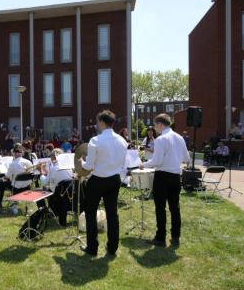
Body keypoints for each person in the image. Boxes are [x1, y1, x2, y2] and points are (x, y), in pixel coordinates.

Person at [78, 110, 128, 257]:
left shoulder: (96, 140)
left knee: (90, 212)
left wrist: (82, 162)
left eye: (98, 122)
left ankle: (92, 248)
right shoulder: (122, 141)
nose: (97, 124)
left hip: (98, 180)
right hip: (114, 179)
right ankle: (112, 248)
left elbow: (89, 166)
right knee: (112, 214)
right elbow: (122, 163)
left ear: (102, 122)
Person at [140, 113, 190, 247]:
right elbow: (187, 158)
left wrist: (143, 164)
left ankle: (160, 238)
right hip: (175, 176)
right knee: (175, 207)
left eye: (156, 125)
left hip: (162, 176)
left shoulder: (161, 139)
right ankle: (175, 236)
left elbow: (156, 161)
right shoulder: (180, 138)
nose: (155, 128)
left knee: (160, 208)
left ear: (160, 124)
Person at [38, 148, 74, 226]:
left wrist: (41, 171)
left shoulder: (53, 168)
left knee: (40, 193)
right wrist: (47, 173)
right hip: (68, 193)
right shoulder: (69, 167)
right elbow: (57, 176)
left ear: (54, 157)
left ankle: (47, 214)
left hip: (58, 193)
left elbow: (44, 182)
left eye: (51, 156)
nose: (50, 157)